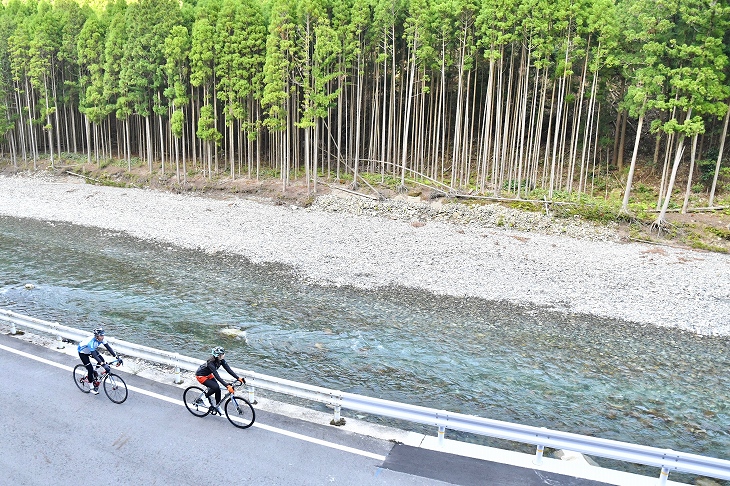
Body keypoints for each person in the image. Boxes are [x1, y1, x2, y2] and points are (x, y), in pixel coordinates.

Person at [195, 346, 245, 414]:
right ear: (218, 355)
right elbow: (217, 376)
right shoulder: (210, 363)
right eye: (223, 354)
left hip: (208, 375)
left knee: (218, 389)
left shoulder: (221, 360)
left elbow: (229, 370)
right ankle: (203, 398)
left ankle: (218, 407)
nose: (224, 355)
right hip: (201, 376)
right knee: (215, 387)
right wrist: (227, 386)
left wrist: (238, 378)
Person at [77, 327, 123, 395]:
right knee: (90, 369)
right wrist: (103, 364)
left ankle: (95, 371)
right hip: (83, 353)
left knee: (102, 360)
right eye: (101, 335)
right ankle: (91, 387)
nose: (102, 337)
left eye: (103, 335)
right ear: (96, 336)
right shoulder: (91, 342)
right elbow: (94, 355)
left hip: (91, 351)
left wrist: (117, 357)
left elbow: (109, 348)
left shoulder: (102, 339)